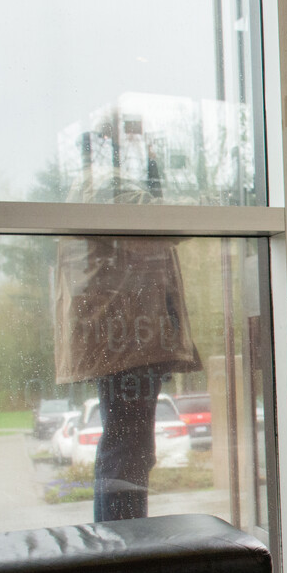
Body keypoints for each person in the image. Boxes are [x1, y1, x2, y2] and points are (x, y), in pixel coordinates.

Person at [54, 119, 201, 522]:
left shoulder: (104, 182)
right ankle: (122, 547)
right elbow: (158, 221)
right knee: (127, 449)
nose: (137, 140)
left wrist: (150, 162)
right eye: (126, 136)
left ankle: (121, 544)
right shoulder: (104, 182)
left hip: (127, 337)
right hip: (126, 338)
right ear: (107, 144)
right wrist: (214, 206)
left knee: (129, 447)